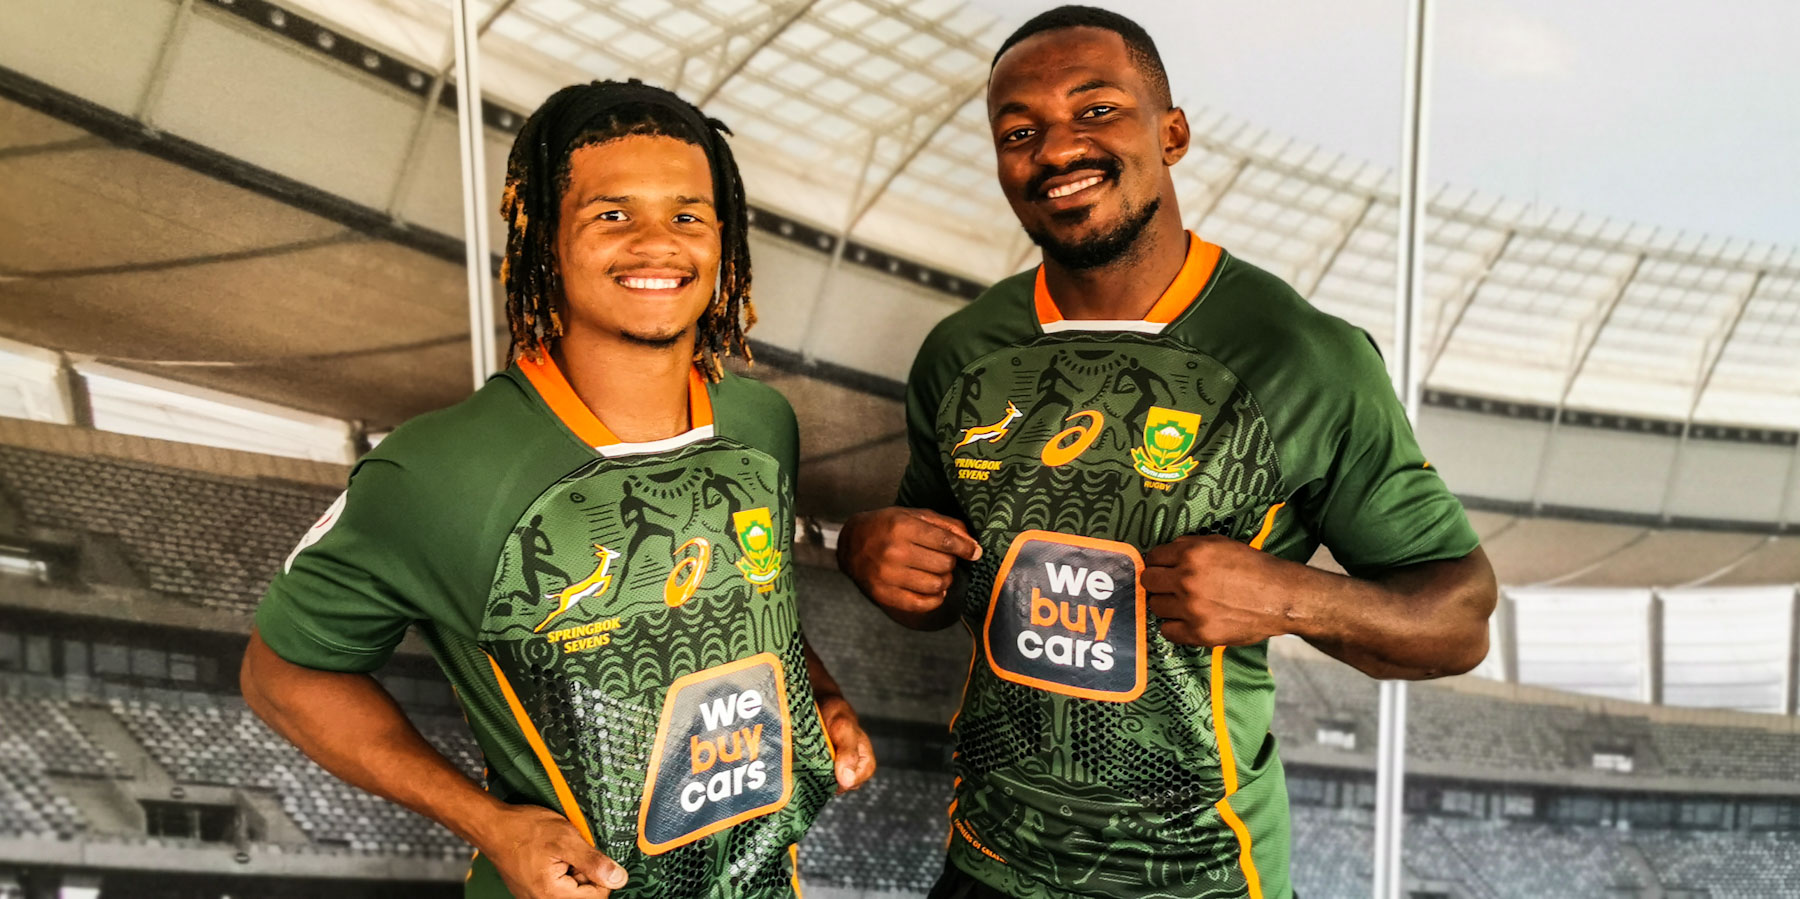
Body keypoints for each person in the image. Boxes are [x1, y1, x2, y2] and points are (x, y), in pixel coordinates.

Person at [835, 7, 1497, 898]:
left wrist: (1287, 596)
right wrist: (867, 552)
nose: (1057, 148)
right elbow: (943, 584)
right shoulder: (963, 353)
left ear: (1172, 134)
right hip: (989, 864)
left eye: (1097, 110)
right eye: (1019, 131)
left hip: (1203, 877)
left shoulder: (1301, 356)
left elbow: (1460, 619)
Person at [243, 79, 874, 899]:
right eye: (612, 214)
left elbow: (753, 606)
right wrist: (492, 823)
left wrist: (819, 692)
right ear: (543, 236)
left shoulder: (760, 425)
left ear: (725, 237)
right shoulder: (436, 469)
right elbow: (280, 676)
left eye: (688, 216)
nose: (657, 244)